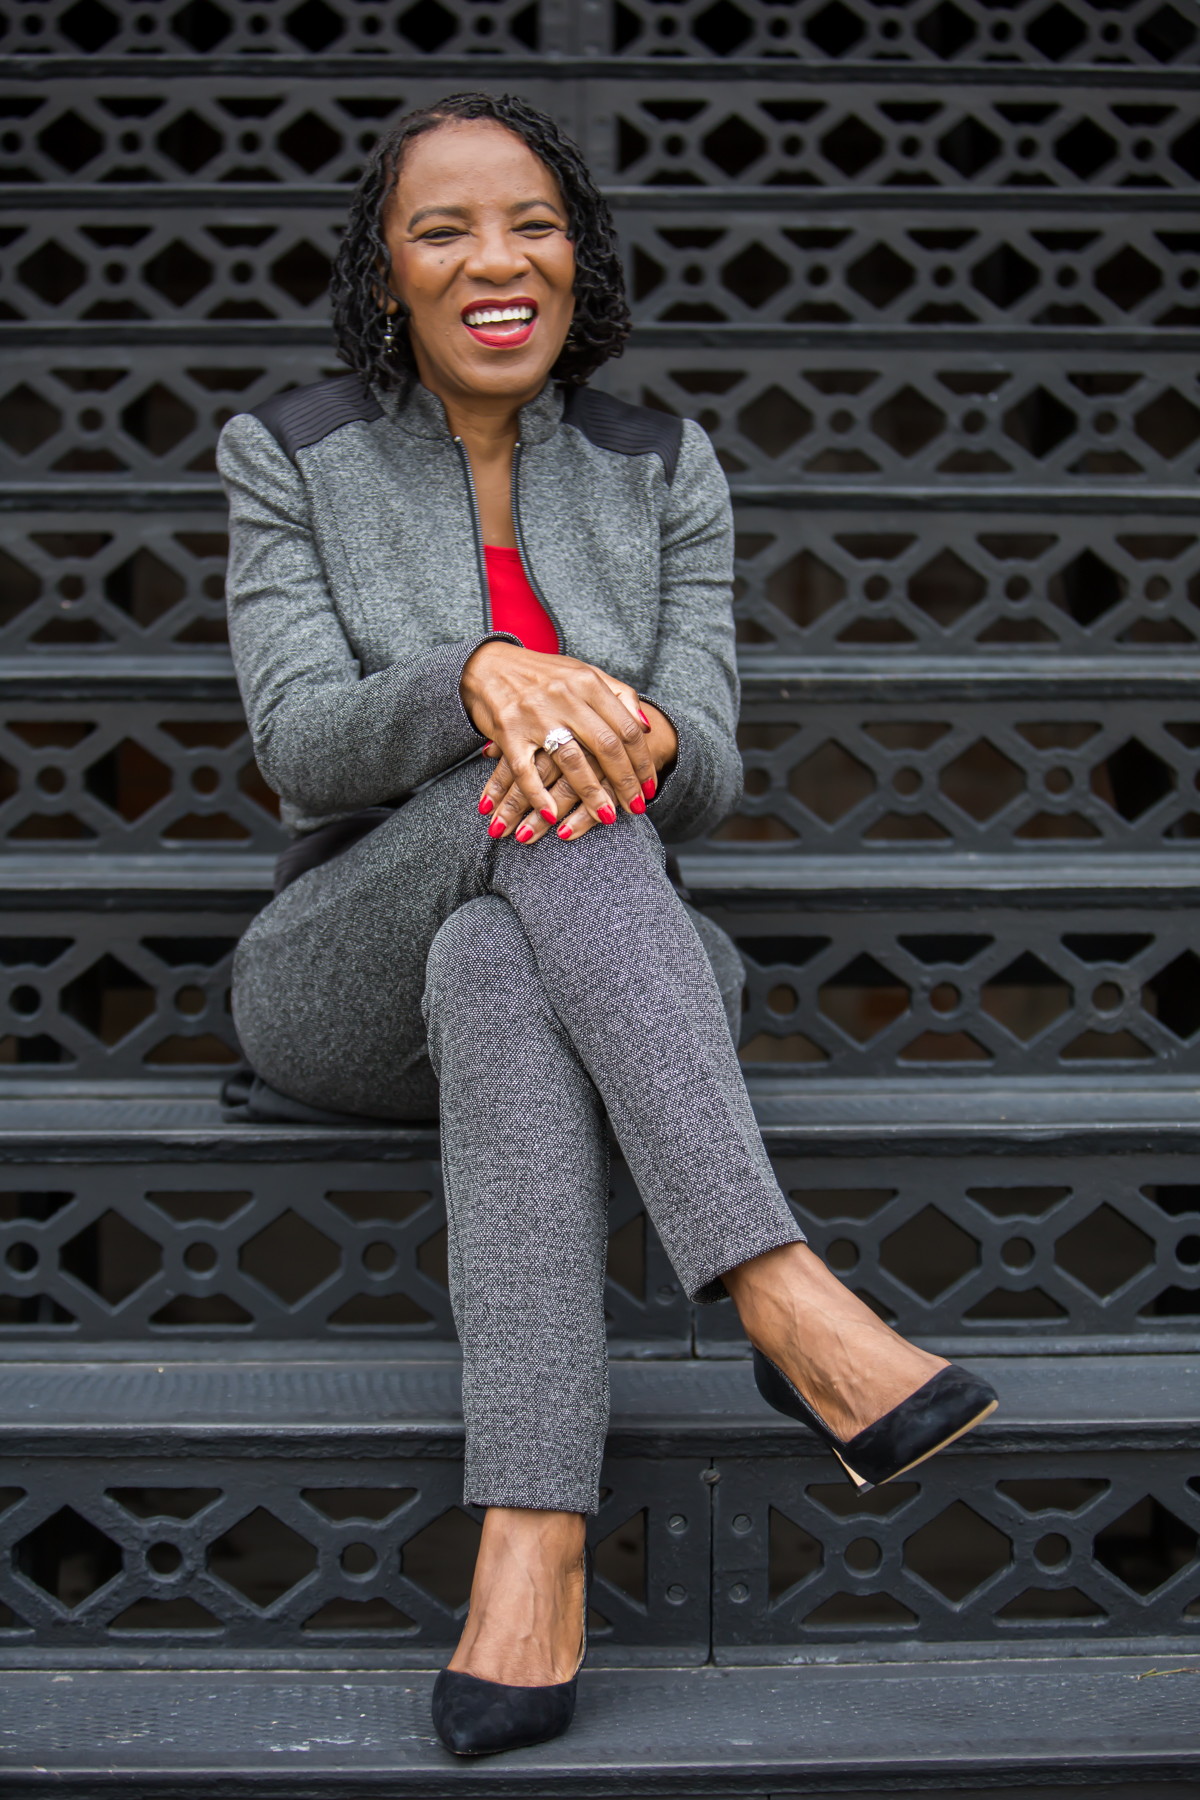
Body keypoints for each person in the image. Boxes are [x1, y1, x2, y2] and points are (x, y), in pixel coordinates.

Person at [217, 90, 997, 1759]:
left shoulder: (662, 468)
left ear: (577, 254)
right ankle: (781, 1290)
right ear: (385, 270)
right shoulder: (289, 454)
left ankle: (532, 1545)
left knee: (508, 947)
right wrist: (481, 680)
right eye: (444, 230)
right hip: (345, 958)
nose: (496, 260)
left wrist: (625, 732)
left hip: (598, 946)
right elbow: (298, 745)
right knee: (513, 805)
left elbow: (709, 762)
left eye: (533, 223)